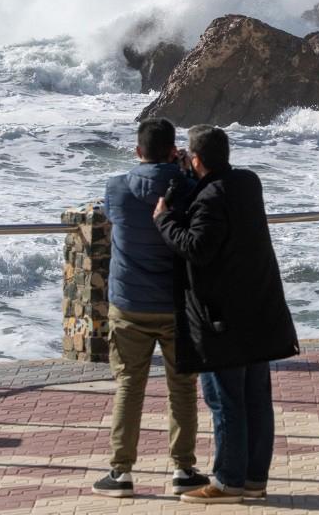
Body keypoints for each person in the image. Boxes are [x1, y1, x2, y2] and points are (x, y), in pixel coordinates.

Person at [153, 124, 300, 505]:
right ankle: (253, 480)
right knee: (256, 397)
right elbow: (216, 205)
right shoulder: (247, 184)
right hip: (259, 311)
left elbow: (197, 247)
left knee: (224, 399)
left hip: (223, 320)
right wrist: (192, 178)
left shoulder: (210, 198)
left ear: (196, 158)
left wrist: (164, 219)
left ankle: (228, 482)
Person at [91, 118, 210, 499]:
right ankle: (184, 469)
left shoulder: (117, 187)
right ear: (173, 150)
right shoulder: (189, 188)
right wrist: (182, 172)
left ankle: (120, 472)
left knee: (129, 385)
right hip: (176, 305)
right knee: (182, 388)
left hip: (129, 305)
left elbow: (111, 216)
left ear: (138, 150)